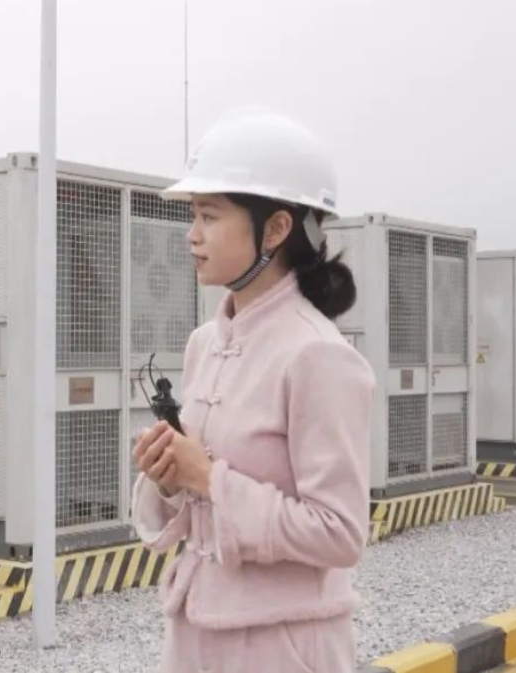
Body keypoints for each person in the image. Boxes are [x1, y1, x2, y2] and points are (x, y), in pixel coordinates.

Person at [130, 107, 376, 672]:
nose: (192, 235)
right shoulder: (204, 343)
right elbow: (198, 505)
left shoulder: (318, 355)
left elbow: (340, 533)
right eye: (192, 216)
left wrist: (208, 477)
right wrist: (169, 477)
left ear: (276, 228)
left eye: (209, 216)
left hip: (282, 648)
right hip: (194, 638)